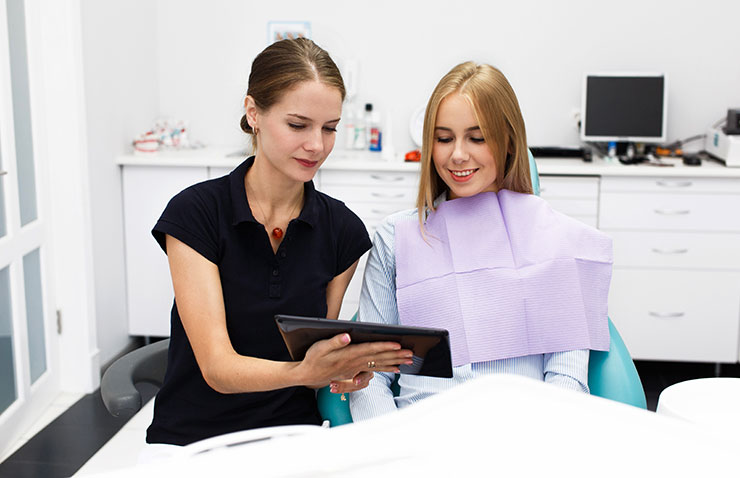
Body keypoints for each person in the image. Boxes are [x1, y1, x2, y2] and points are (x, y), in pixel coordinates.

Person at [146, 38, 412, 446]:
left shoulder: (343, 231)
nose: (317, 145)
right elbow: (217, 369)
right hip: (193, 439)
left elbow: (313, 363)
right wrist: (306, 372)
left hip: (293, 437)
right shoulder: (195, 214)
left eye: (330, 128)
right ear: (253, 112)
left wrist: (343, 369)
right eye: (298, 125)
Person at [350, 62, 612, 420]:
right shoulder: (396, 237)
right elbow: (369, 376)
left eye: (477, 138)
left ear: (508, 142)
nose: (458, 154)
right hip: (418, 433)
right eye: (444, 139)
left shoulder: (554, 240)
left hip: (522, 429)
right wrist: (390, 443)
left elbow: (566, 380)